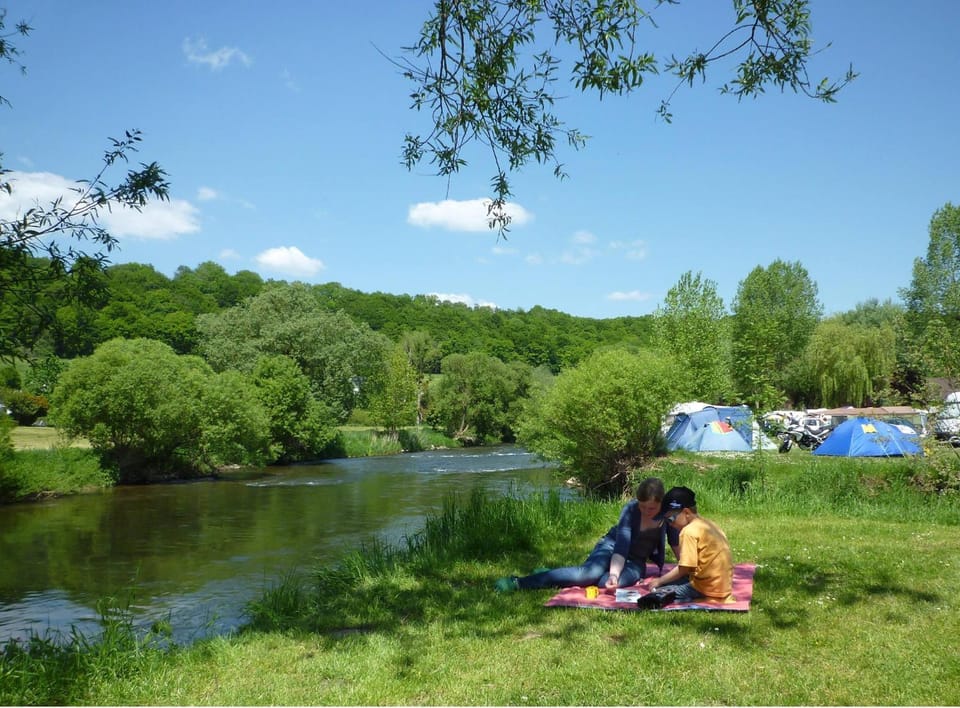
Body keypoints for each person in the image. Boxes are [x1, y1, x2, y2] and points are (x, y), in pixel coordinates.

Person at [495, 477, 680, 592]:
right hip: (611, 547)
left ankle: (555, 576)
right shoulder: (631, 510)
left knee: (602, 583)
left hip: (636, 562)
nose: (647, 511)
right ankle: (520, 582)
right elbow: (621, 546)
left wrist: (687, 566)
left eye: (652, 507)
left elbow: (674, 543)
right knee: (588, 574)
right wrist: (614, 574)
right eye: (642, 506)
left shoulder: (668, 513)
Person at [639, 485, 733, 609]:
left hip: (705, 588)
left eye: (671, 519)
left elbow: (684, 569)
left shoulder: (688, 532)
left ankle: (687, 598)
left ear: (686, 512)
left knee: (660, 591)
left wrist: (660, 581)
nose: (670, 524)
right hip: (723, 586)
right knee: (673, 581)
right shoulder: (710, 525)